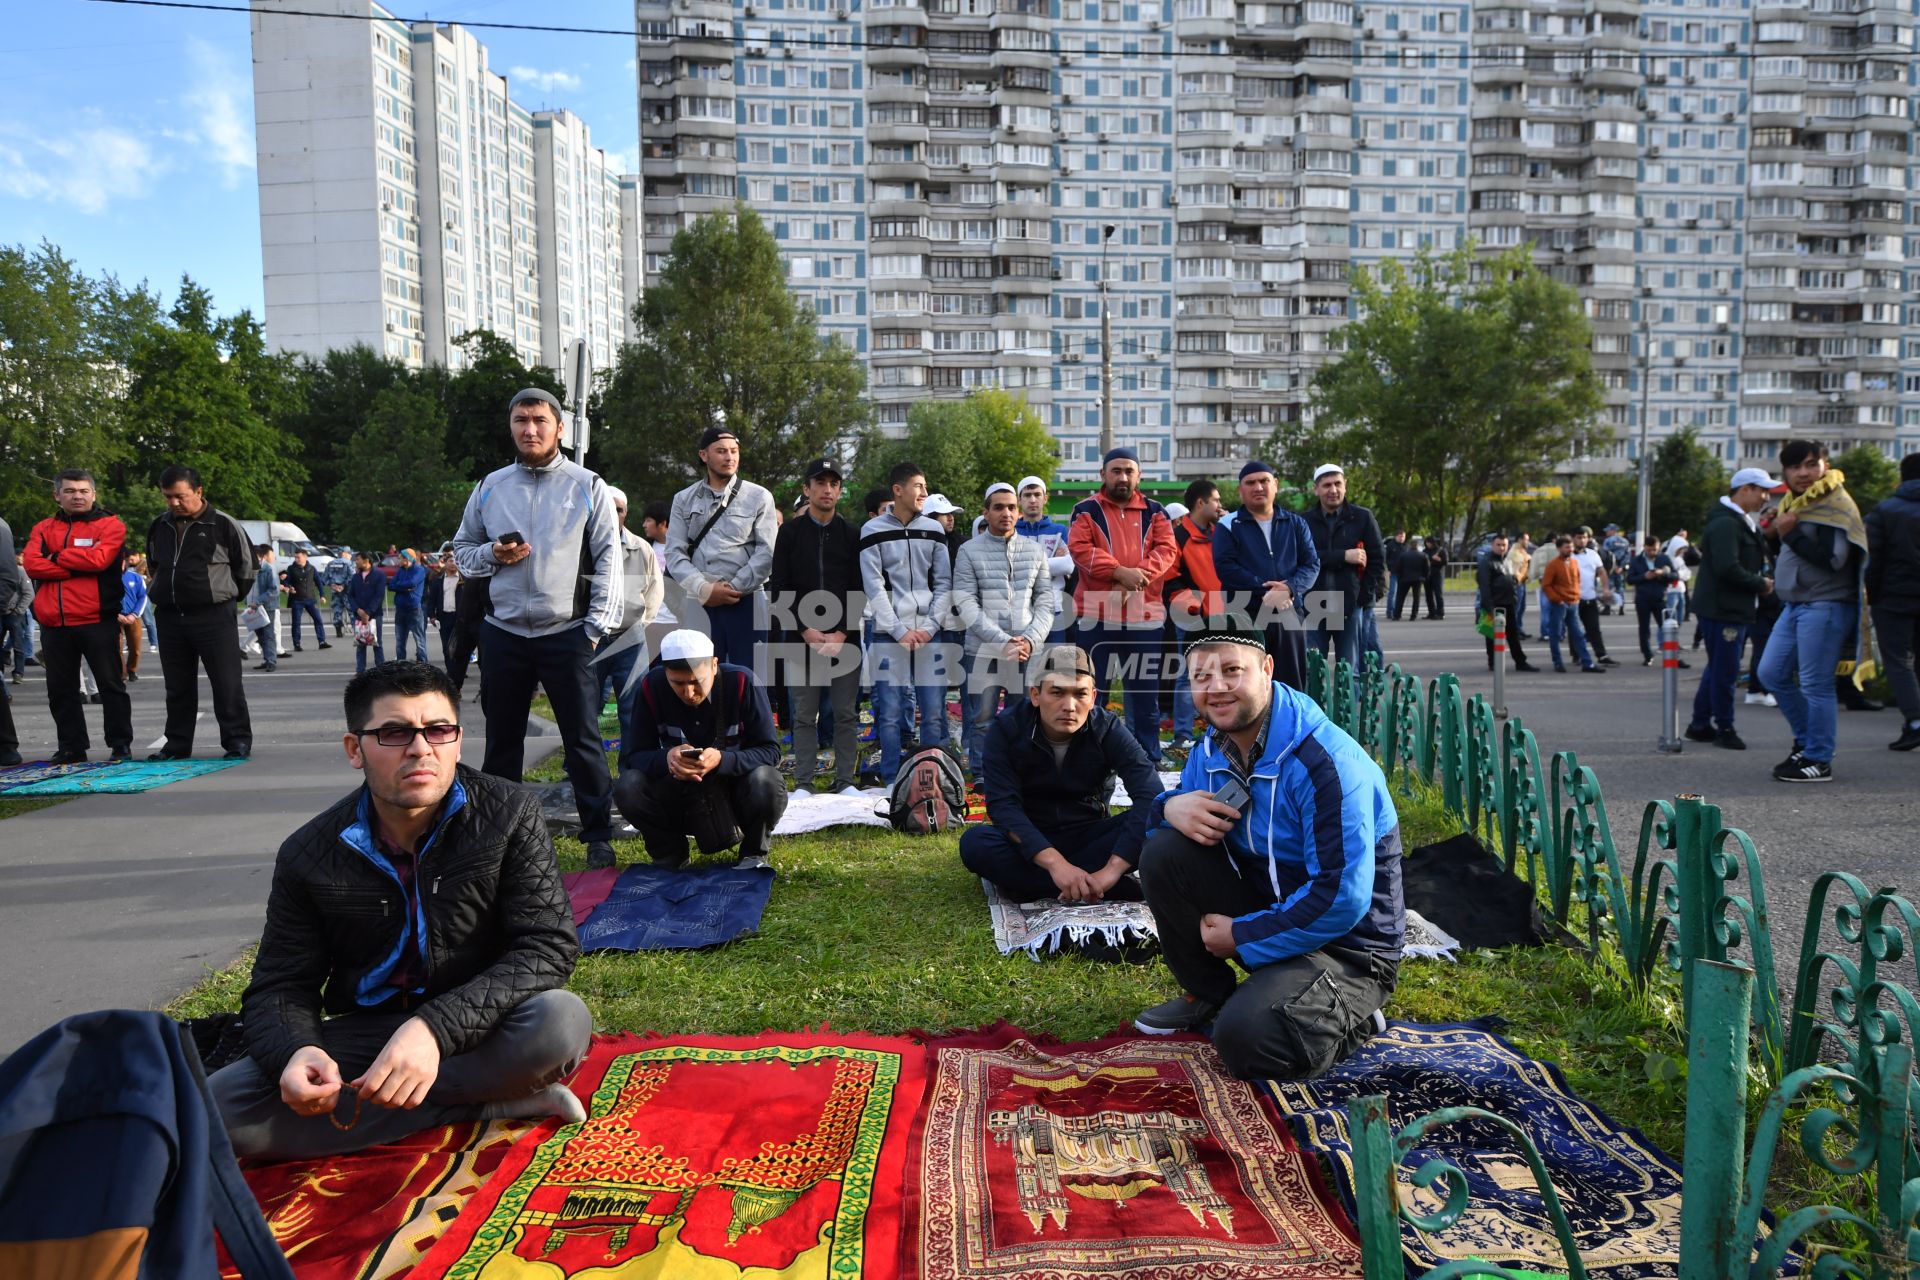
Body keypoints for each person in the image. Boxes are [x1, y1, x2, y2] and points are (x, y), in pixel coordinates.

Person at [209, 660, 592, 1160]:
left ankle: (396, 1105)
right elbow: (280, 984)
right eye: (394, 733)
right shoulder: (309, 853)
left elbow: (547, 946)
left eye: (438, 730)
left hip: (481, 1024)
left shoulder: (508, 813)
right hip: (370, 1036)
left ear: (457, 740)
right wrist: (296, 1052)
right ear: (355, 749)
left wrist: (433, 1028)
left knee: (559, 1021)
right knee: (219, 1109)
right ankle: (480, 1106)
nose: (420, 749)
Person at [1132, 631, 1402, 1080]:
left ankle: (1352, 1014)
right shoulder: (1209, 750)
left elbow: (1342, 899)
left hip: (1348, 947)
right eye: (1201, 676)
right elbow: (1171, 829)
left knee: (1245, 1041)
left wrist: (1240, 934)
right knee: (1164, 851)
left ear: (1267, 670)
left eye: (1231, 670)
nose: (1215, 687)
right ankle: (1208, 994)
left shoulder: (1326, 763)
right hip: (1273, 910)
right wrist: (1169, 806)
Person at [451, 387, 624, 869]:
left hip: (567, 631)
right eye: (521, 420)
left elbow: (610, 558)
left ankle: (597, 836)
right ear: (511, 426)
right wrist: (491, 555)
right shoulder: (490, 486)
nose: (530, 429)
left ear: (559, 428)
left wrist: (595, 629)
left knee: (582, 739)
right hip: (503, 631)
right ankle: (499, 837)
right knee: (502, 741)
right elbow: (462, 549)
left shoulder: (586, 484)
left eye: (539, 421)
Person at [958, 644, 1161, 903]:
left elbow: (1151, 795)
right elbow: (1003, 807)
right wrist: (1056, 865)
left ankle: (1039, 885)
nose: (1069, 705)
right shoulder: (1007, 728)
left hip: (1090, 835)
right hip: (1031, 839)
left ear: (1094, 697)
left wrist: (1110, 872)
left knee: (1162, 820)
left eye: (1080, 694)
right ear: (1035, 695)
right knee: (975, 843)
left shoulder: (1107, 728)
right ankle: (1078, 883)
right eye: (1057, 693)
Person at [613, 629, 788, 870]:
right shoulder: (652, 686)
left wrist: (723, 760)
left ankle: (753, 853)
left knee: (766, 780)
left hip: (735, 788)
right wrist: (668, 758)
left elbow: (770, 751)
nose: (689, 693)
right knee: (628, 786)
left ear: (715, 665)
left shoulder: (742, 682)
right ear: (665, 673)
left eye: (697, 682)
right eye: (678, 683)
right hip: (680, 792)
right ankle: (669, 854)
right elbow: (633, 756)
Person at [1756, 441, 1865, 784]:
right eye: (1794, 467)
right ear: (1785, 472)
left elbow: (1834, 561)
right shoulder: (1795, 503)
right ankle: (1808, 742)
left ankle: (1819, 758)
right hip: (1795, 604)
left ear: (1824, 464)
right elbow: (1791, 553)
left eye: (1810, 464)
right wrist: (1775, 535)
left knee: (1816, 685)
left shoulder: (1835, 504)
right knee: (1771, 673)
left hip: (1827, 604)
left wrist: (1788, 534)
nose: (1803, 473)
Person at [1066, 449, 1179, 763]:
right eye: (1116, 471)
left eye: (1129, 471)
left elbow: (1167, 551)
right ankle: (1092, 757)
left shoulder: (1156, 512)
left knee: (1144, 692)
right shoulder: (1085, 509)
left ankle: (1147, 757)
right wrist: (1120, 573)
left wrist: (1135, 578)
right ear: (1103, 475)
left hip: (1145, 616)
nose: (1123, 477)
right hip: (1095, 616)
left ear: (1139, 476)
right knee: (1092, 690)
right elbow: (1079, 549)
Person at [21, 469, 134, 763]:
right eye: (70, 491)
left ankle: (120, 744)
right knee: (61, 690)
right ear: (57, 495)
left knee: (111, 686)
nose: (78, 496)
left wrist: (56, 558)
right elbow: (32, 565)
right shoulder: (43, 528)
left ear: (94, 494)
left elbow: (100, 560)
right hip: (53, 623)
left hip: (97, 619)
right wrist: (76, 565)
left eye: (84, 490)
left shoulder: (111, 525)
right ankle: (72, 747)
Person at [144, 466, 256, 761]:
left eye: (180, 496)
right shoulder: (159, 525)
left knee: (226, 682)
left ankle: (237, 741)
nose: (174, 503)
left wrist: (223, 598)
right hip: (169, 616)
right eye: (168, 497)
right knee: (177, 686)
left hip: (214, 616)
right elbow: (154, 566)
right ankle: (177, 745)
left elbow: (246, 569)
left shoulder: (224, 525)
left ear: (198, 491)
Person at [769, 459, 864, 791]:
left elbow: (859, 589)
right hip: (801, 639)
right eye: (820, 483)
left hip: (844, 641)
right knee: (804, 715)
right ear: (806, 489)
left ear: (839, 490)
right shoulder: (789, 533)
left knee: (845, 714)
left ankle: (845, 780)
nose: (827, 489)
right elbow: (779, 589)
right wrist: (805, 631)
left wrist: (841, 632)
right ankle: (805, 784)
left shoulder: (852, 534)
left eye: (833, 483)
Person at [952, 482, 1056, 778]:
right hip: (983, 649)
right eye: (998, 507)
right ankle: (983, 774)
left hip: (1026, 650)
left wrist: (1030, 640)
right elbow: (966, 602)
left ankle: (1018, 772)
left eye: (1011, 507)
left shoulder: (1034, 551)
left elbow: (1046, 601)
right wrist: (1003, 641)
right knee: (982, 717)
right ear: (986, 513)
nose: (1006, 513)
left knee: (1024, 717)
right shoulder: (969, 551)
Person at [860, 461, 954, 780]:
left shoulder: (935, 529)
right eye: (919, 486)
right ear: (898, 490)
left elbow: (944, 583)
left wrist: (928, 629)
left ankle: (930, 777)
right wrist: (899, 630)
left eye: (925, 487)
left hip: (930, 634)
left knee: (933, 712)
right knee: (888, 712)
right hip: (889, 634)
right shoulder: (872, 531)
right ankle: (891, 780)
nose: (925, 493)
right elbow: (874, 586)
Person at [664, 424, 778, 668]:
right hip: (699, 603)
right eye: (721, 451)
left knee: (751, 678)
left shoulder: (759, 497)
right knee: (699, 675)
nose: (729, 457)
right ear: (704, 455)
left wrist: (733, 588)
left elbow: (767, 552)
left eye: (734, 451)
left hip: (746, 601)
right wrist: (704, 589)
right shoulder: (683, 499)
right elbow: (674, 553)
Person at [1685, 468, 1776, 752]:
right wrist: (1760, 583)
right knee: (1725, 671)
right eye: (1762, 490)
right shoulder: (1726, 523)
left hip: (1729, 606)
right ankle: (1725, 727)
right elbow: (1728, 567)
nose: (1766, 496)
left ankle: (1700, 724)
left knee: (1718, 668)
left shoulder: (1737, 520)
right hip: (1724, 608)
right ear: (1744, 489)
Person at [1211, 459, 1318, 694]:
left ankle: (1291, 730)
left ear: (1276, 485)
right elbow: (1226, 567)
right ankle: (1252, 731)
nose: (1258, 487)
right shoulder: (1228, 525)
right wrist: (1265, 590)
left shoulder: (1295, 523)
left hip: (1288, 612)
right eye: (1250, 483)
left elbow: (1311, 565)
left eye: (1264, 481)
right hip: (1245, 614)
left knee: (1291, 683)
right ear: (1241, 490)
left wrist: (1289, 589)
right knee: (1246, 684)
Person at [594, 486, 665, 773]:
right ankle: (586, 770)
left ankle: (631, 771)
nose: (613, 514)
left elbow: (654, 590)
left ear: (626, 514)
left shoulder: (641, 547)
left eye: (619, 509)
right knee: (586, 708)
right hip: (591, 639)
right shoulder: (582, 544)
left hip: (631, 638)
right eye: (607, 507)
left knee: (633, 710)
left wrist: (642, 625)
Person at [1300, 463, 1386, 670]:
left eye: (1338, 484)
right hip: (1315, 604)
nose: (1333, 490)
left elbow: (1377, 560)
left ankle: (1350, 704)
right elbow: (1302, 558)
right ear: (1316, 488)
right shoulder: (1304, 521)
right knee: (1313, 669)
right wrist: (1343, 556)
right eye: (1327, 485)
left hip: (1350, 603)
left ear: (1345, 485)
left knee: (1350, 669)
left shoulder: (1362, 517)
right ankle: (1315, 704)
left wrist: (1363, 598)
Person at [1166, 480, 1228, 749]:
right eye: (1215, 500)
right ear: (1201, 503)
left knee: (1221, 673)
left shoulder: (1222, 532)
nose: (1220, 505)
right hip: (1192, 615)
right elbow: (1171, 577)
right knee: (1187, 673)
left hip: (1224, 612)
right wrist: (1194, 606)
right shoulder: (1179, 536)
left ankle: (1219, 731)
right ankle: (1183, 734)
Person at [1865, 451, 1920, 752]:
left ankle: (1914, 722)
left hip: (1894, 599)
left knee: (1899, 662)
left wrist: (1871, 594)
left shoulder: (1886, 511)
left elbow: (1873, 560)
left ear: (1902, 476)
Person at [1015, 475, 1075, 645]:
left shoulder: (1060, 530)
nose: (1032, 500)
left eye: (1037, 494)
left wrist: (1025, 564)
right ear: (1019, 500)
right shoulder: (1011, 531)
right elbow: (1009, 568)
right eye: (1027, 495)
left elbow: (1068, 565)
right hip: (1020, 611)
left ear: (1045, 498)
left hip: (1054, 609)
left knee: (1054, 665)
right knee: (1023, 667)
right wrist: (1052, 563)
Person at [1540, 535, 1601, 674]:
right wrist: (1557, 599)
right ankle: (1557, 662)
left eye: (1571, 547)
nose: (1570, 549)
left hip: (1573, 603)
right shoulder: (1553, 564)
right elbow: (1546, 585)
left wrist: (1577, 595)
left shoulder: (1574, 562)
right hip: (1559, 604)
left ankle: (1587, 663)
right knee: (1555, 634)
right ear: (1559, 548)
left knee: (1578, 634)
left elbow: (1577, 580)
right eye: (1567, 547)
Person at [1477, 533, 1536, 672]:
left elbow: (1513, 581)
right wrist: (1489, 608)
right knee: (1491, 635)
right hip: (1493, 604)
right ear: (1492, 545)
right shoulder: (1486, 563)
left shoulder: (1507, 561)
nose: (1501, 547)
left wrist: (1514, 598)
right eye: (1498, 545)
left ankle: (1520, 662)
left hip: (1508, 603)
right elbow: (1484, 587)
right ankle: (1493, 663)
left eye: (1504, 545)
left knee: (1513, 634)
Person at [1627, 535, 1680, 667]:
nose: (1652, 553)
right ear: (1644, 547)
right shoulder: (1636, 560)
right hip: (1643, 598)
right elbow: (1629, 579)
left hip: (1659, 598)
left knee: (1668, 627)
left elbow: (1675, 575)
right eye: (1649, 550)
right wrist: (1644, 576)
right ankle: (1647, 655)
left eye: (1655, 550)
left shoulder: (1663, 558)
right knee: (1644, 629)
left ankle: (1674, 656)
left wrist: (1663, 573)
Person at [1571, 527, 1616, 665]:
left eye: (1585, 537)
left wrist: (1606, 589)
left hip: (1590, 598)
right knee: (1575, 630)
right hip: (1574, 599)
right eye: (1579, 537)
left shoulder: (1593, 554)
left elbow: (1601, 572)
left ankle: (1602, 655)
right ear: (1573, 538)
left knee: (1594, 629)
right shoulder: (1569, 556)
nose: (1582, 540)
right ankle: (1577, 655)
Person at [345, 552, 389, 673]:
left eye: (358, 560)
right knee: (360, 645)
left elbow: (379, 595)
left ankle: (381, 671)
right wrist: (358, 610)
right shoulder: (356, 577)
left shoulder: (379, 575)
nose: (356, 562)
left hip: (374, 615)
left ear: (366, 561)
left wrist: (368, 612)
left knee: (377, 644)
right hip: (359, 616)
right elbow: (350, 595)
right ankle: (360, 671)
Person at [281, 548, 330, 653]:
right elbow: (286, 581)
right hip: (297, 600)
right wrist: (289, 587)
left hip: (310, 599)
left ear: (305, 557)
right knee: (296, 623)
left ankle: (322, 642)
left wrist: (322, 595)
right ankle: (297, 644)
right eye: (295, 557)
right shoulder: (291, 568)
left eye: (298, 557)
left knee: (318, 619)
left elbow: (319, 583)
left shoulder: (312, 568)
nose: (296, 559)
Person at [246, 545, 282, 673]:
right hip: (253, 606)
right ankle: (267, 659)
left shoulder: (268, 569)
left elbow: (274, 590)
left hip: (266, 606)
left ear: (259, 556)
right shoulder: (250, 568)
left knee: (268, 634)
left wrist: (258, 601)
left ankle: (271, 661)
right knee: (259, 634)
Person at [389, 550, 428, 663]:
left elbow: (412, 582)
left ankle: (423, 666)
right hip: (400, 610)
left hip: (413, 609)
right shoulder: (400, 571)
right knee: (400, 641)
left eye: (400, 558)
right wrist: (404, 588)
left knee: (419, 640)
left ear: (407, 559)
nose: (398, 560)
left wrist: (399, 586)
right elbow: (391, 586)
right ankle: (401, 665)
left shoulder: (419, 570)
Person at [117, 556, 148, 681]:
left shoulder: (135, 577)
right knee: (117, 647)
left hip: (133, 617)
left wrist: (134, 614)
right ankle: (122, 673)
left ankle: (132, 670)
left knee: (135, 648)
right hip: (116, 617)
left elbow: (143, 596)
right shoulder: (108, 578)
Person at [1395, 537, 1430, 621]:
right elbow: (1427, 568)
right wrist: (1424, 577)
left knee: (1400, 597)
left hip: (1405, 578)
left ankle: (1397, 614)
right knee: (1416, 598)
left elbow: (1398, 568)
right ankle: (1413, 615)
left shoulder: (1403, 555)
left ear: (1410, 546)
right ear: (1417, 546)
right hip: (1417, 579)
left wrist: (1400, 577)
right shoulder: (1423, 555)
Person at [1508, 533, 1534, 639]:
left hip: (1521, 582)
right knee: (1516, 608)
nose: (1527, 542)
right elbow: (1516, 568)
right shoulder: (1516, 551)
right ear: (1519, 540)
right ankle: (1513, 631)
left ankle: (1518, 628)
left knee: (1521, 607)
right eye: (1526, 540)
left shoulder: (1522, 551)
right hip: (1516, 583)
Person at [323, 551, 354, 637]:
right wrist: (343, 585)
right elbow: (352, 576)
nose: (351, 556)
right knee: (352, 611)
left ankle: (338, 631)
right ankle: (356, 631)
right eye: (350, 554)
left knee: (337, 611)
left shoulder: (330, 564)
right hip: (348, 591)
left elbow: (324, 578)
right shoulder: (348, 563)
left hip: (335, 592)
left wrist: (332, 585)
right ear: (345, 554)